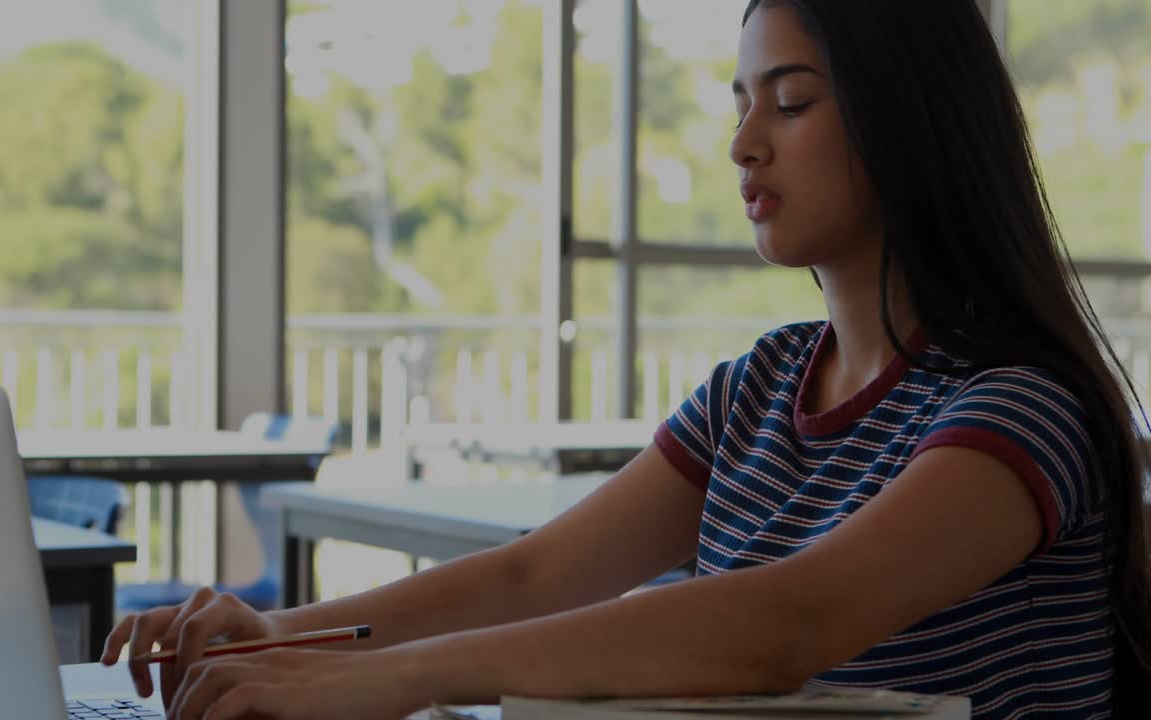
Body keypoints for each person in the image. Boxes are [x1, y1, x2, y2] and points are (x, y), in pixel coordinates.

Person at [101, 1, 1151, 717]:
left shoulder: (1019, 410)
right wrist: (273, 639)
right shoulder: (757, 389)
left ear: (909, 121)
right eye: (738, 103)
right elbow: (535, 574)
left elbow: (786, 624)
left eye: (788, 102)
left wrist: (391, 681)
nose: (745, 143)